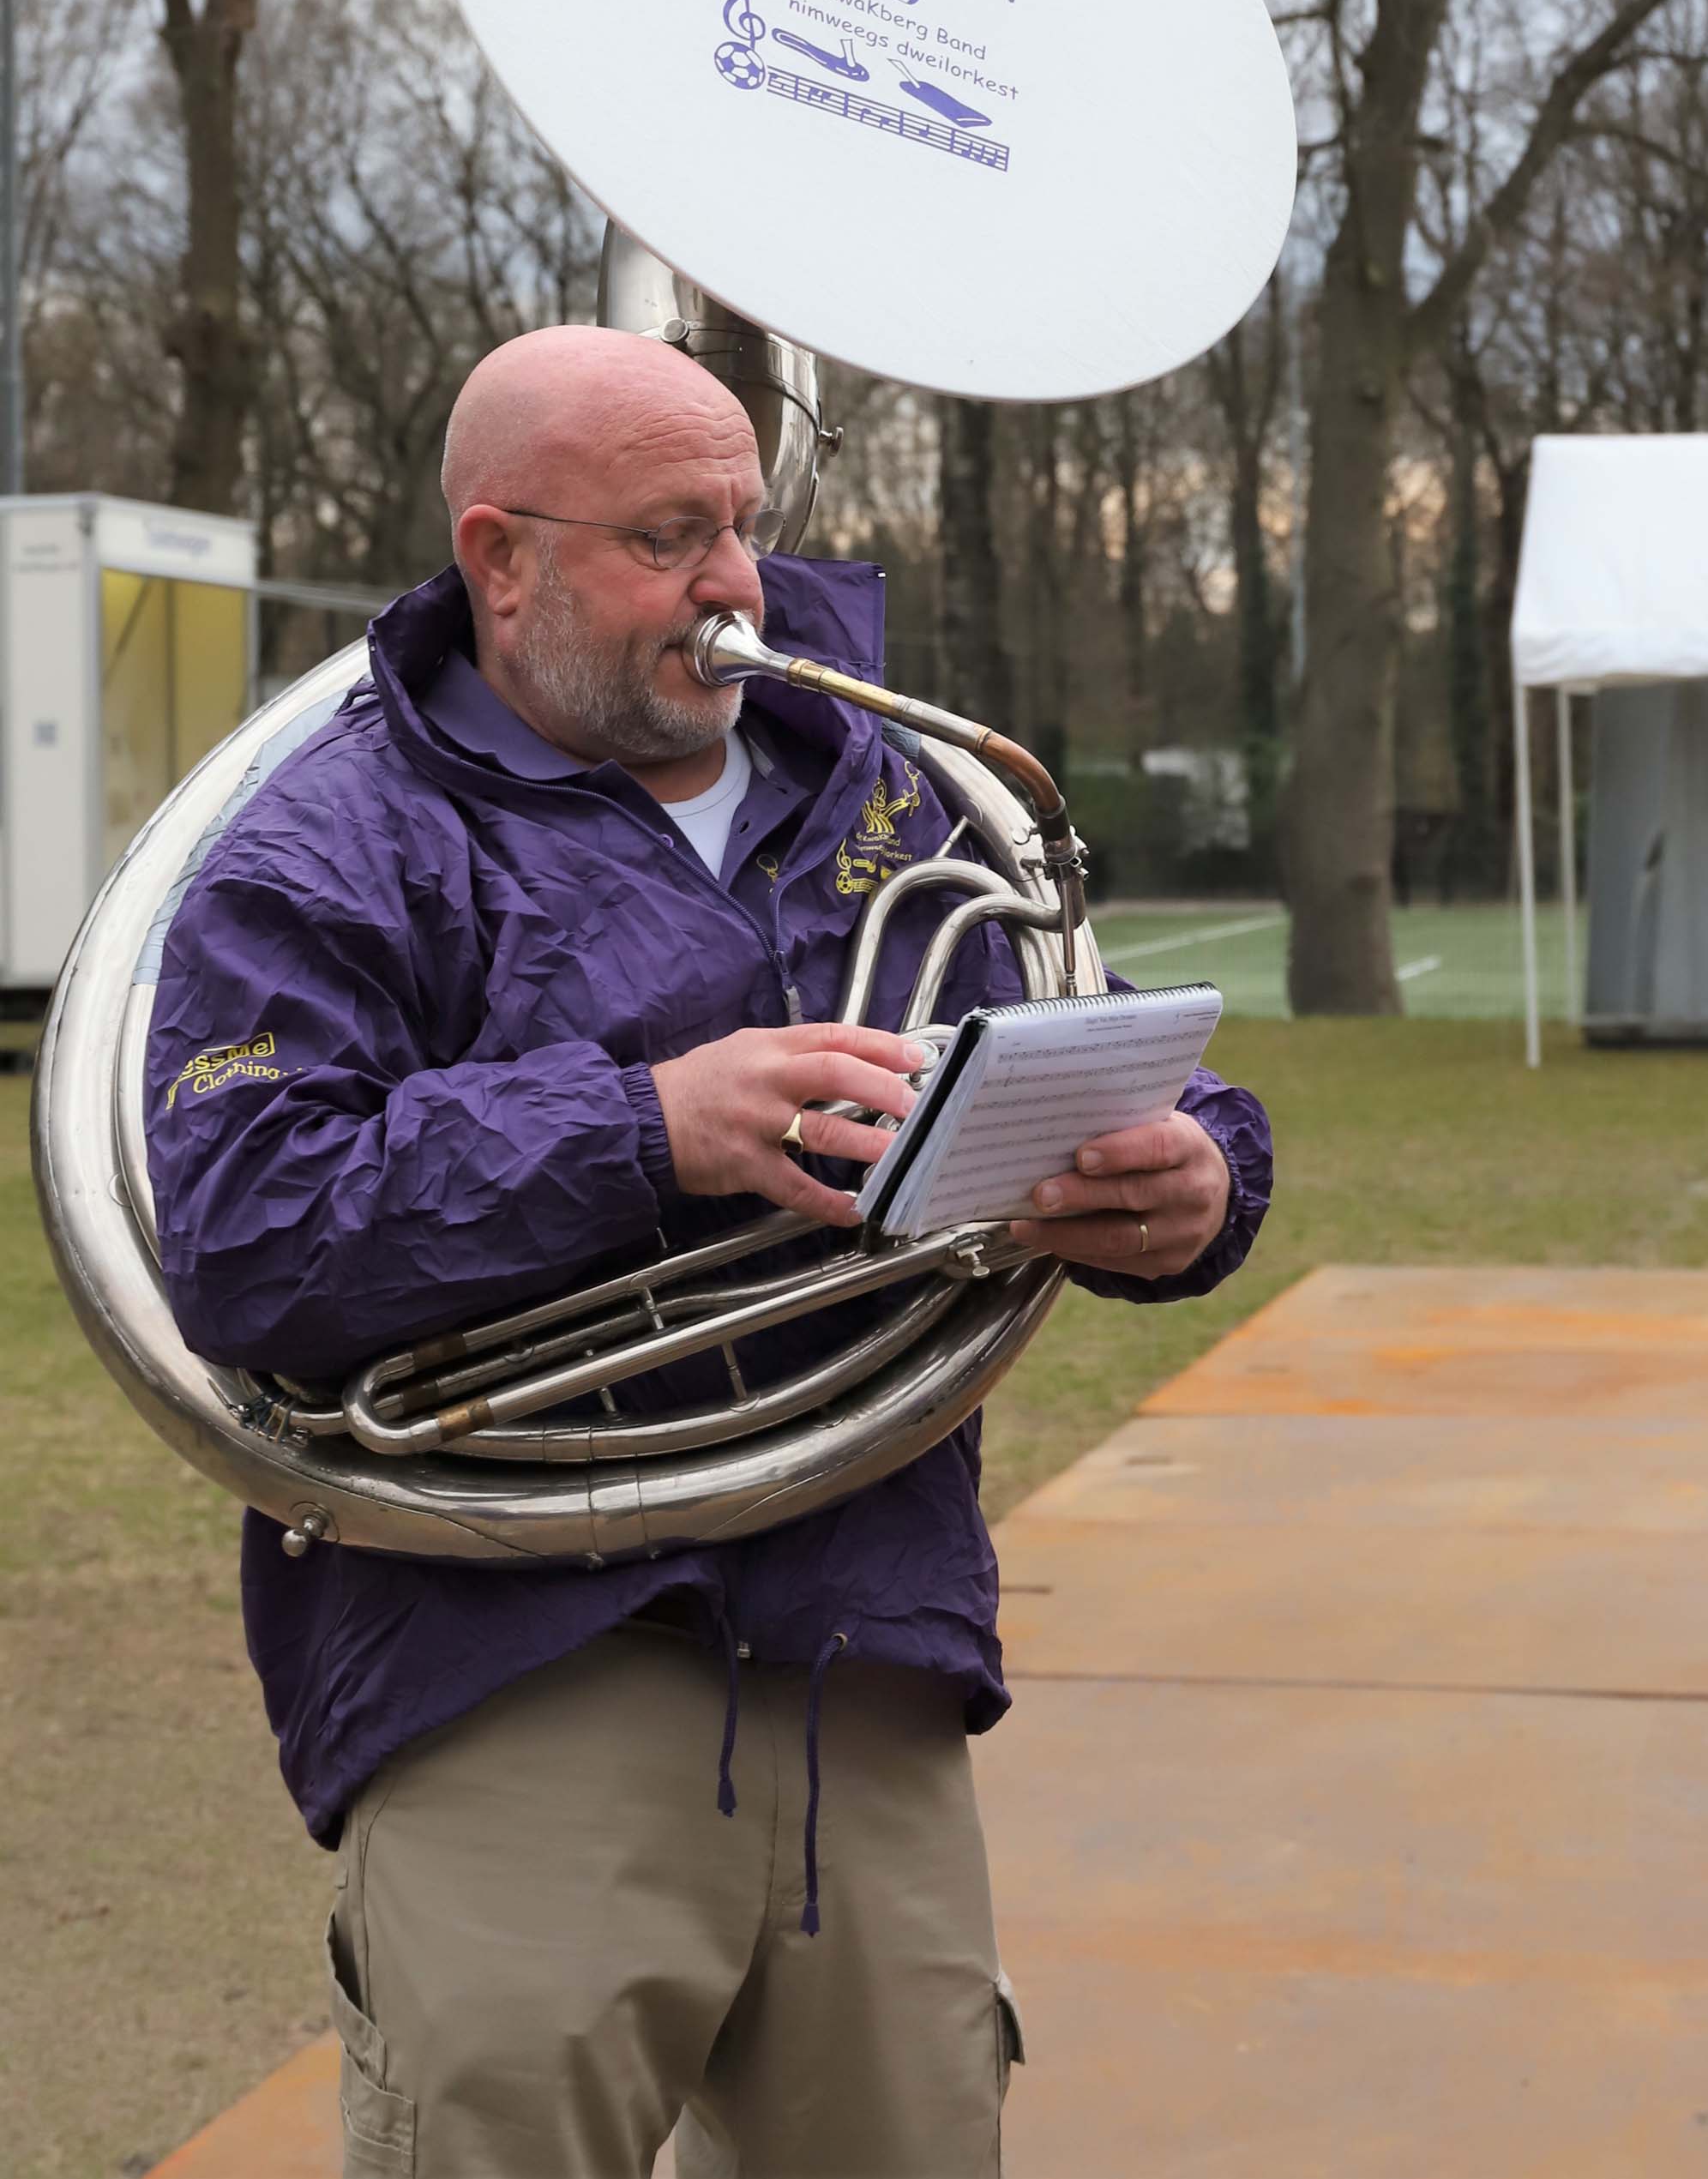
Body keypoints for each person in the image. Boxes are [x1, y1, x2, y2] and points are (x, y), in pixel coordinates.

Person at [146, 325, 1272, 2179]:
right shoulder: (329, 840)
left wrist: (1198, 1179)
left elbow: (1101, 1035)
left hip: (863, 1640)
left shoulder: (893, 790)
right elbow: (250, 1229)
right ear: (502, 559)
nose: (737, 585)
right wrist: (647, 1124)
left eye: (741, 525)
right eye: (668, 537)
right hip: (516, 1652)